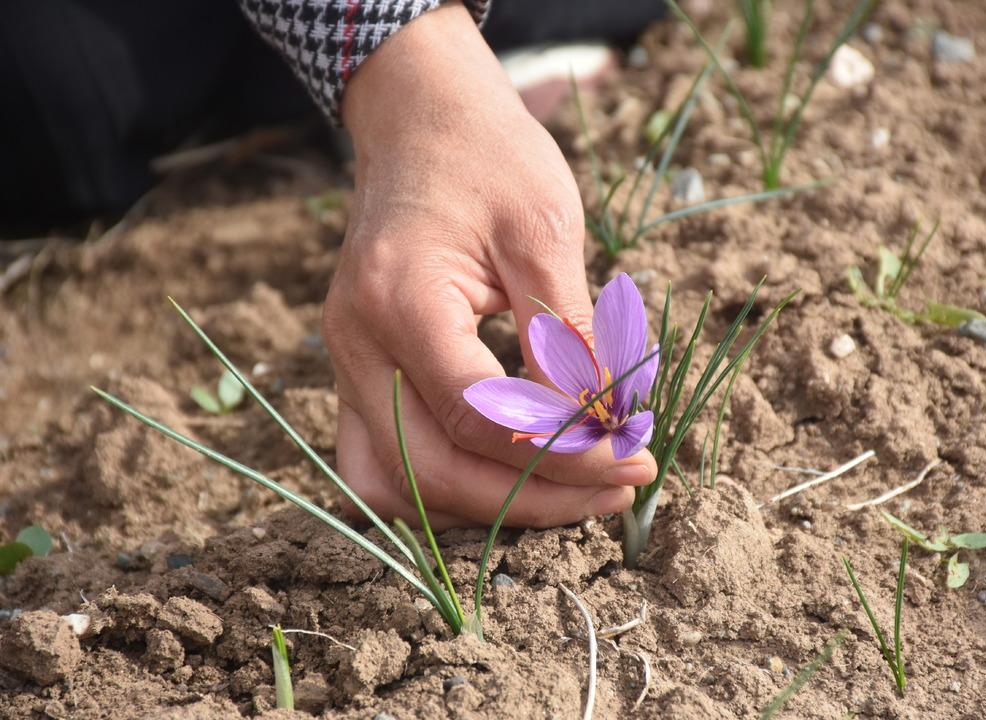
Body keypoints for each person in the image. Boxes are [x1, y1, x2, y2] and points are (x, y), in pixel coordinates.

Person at [3, 0, 666, 529]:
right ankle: (355, 83)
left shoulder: (620, 409)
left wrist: (403, 51)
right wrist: (407, 67)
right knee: (42, 101)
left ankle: (351, 76)